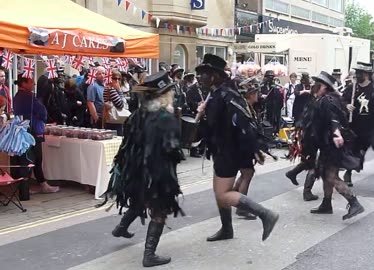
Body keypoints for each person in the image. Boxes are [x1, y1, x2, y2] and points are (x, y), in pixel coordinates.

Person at [103, 71, 185, 268]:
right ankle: (149, 255)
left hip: (137, 170)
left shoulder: (137, 115)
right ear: (164, 95)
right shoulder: (165, 119)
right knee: (160, 210)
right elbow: (173, 151)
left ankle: (121, 228)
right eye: (169, 92)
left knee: (140, 199)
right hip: (157, 173)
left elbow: (127, 145)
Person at [195, 54, 279, 242]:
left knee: (223, 194)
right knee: (218, 191)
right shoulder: (220, 93)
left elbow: (241, 124)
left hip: (228, 151)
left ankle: (265, 214)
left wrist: (255, 148)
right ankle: (227, 229)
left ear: (215, 76)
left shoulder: (225, 95)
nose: (200, 78)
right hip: (223, 150)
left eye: (204, 74)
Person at [304, 71, 364, 219]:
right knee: (326, 174)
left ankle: (354, 202)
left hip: (331, 144)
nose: (313, 86)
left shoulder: (327, 101)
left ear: (323, 86)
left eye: (316, 84)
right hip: (327, 143)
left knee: (331, 176)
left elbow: (333, 119)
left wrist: (336, 133)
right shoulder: (328, 99)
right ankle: (326, 203)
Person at [12, 76, 60, 194]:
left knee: (25, 158)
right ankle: (40, 184)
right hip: (33, 130)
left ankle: (27, 185)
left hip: (22, 129)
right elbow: (43, 112)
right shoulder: (30, 97)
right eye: (31, 82)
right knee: (36, 158)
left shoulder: (17, 96)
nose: (34, 84)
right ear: (24, 83)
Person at [284, 81, 322, 201]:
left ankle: (292, 173)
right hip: (310, 137)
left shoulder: (312, 101)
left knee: (309, 161)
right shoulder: (315, 103)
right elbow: (311, 121)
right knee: (314, 164)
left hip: (308, 136)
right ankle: (307, 192)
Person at [233, 77, 262, 219]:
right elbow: (245, 132)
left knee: (246, 173)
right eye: (256, 92)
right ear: (250, 94)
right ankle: (241, 207)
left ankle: (232, 195)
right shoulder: (242, 109)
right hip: (241, 147)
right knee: (247, 174)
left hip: (243, 147)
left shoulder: (247, 107)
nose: (258, 94)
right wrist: (255, 150)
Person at [103, 70, 127, 136]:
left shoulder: (108, 88)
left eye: (119, 79)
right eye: (114, 78)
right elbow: (120, 105)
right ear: (110, 79)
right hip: (114, 120)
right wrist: (119, 91)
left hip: (112, 120)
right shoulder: (111, 89)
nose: (117, 81)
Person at [260, 70, 283, 135]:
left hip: (274, 107)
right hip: (265, 107)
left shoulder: (276, 87)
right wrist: (262, 96)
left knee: (275, 119)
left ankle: (275, 131)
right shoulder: (262, 86)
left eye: (271, 77)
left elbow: (279, 98)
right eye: (269, 77)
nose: (270, 79)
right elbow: (259, 94)